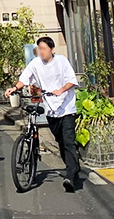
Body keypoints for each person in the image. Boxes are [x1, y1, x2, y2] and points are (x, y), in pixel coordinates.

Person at [6, 37, 83, 192]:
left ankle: (70, 176)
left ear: (52, 49)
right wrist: (14, 88)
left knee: (68, 141)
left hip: (66, 108)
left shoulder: (61, 61)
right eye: (39, 48)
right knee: (60, 141)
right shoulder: (36, 63)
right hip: (51, 109)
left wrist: (61, 90)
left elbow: (72, 81)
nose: (41, 52)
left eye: (44, 49)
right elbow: (25, 78)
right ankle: (73, 167)